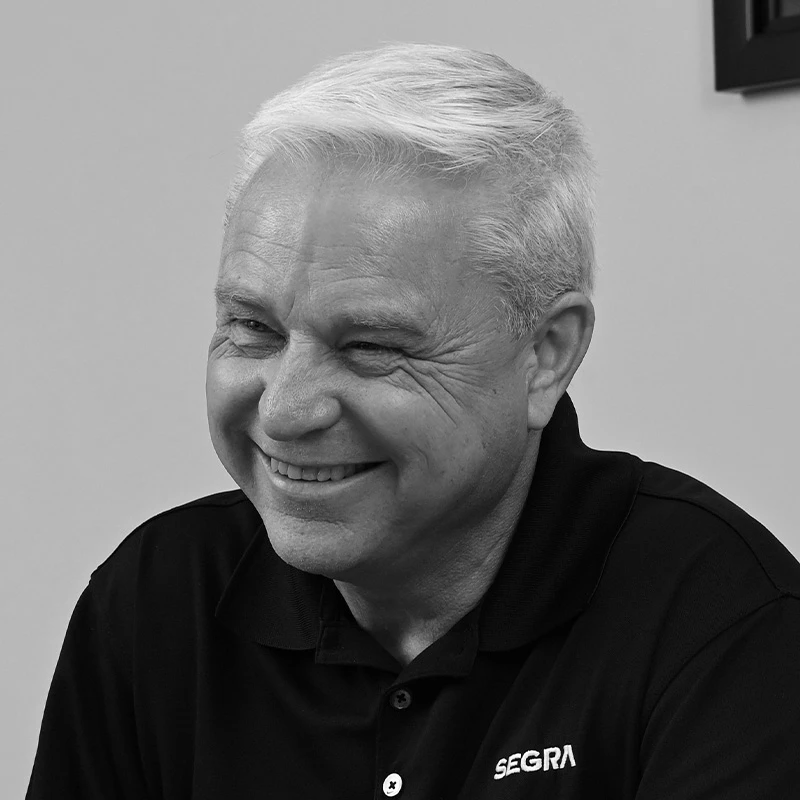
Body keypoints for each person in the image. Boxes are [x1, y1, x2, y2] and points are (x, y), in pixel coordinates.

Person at [27, 43, 800, 799]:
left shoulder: (724, 622)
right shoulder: (158, 599)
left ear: (546, 355)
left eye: (369, 346)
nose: (286, 410)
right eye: (253, 329)